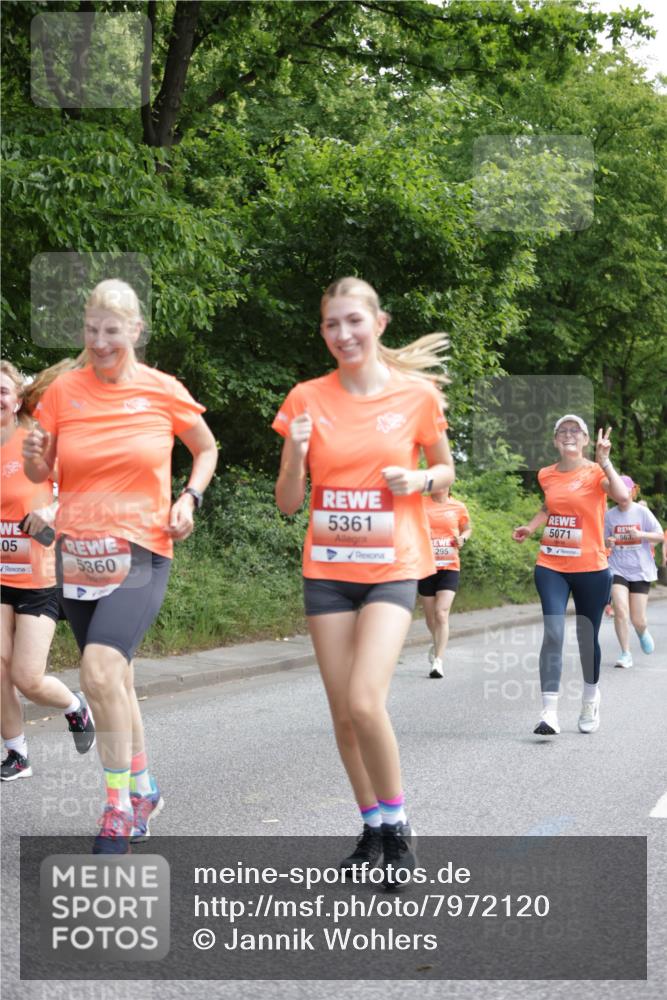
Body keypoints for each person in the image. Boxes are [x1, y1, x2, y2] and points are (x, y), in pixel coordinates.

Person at [23, 279, 218, 852]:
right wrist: (37, 461)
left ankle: (117, 809)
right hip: (79, 553)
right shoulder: (64, 393)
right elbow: (44, 476)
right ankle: (144, 786)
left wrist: (190, 497)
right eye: (91, 330)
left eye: (113, 330)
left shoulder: (162, 390)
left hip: (142, 548)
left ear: (134, 330)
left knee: (100, 672)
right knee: (119, 682)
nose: (101, 341)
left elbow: (205, 447)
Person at [272, 277, 454, 890]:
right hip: (326, 574)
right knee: (341, 717)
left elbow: (446, 471)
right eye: (331, 325)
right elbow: (288, 503)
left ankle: (399, 826)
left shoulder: (417, 396)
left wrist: (420, 480)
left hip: (391, 570)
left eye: (354, 321)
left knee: (363, 701)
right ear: (323, 331)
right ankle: (372, 826)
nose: (343, 334)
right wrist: (295, 455)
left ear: (379, 323)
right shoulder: (305, 398)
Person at [1, 359, 95, 781]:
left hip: (38, 576)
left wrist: (51, 509)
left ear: (17, 398)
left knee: (27, 677)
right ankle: (17, 754)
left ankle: (75, 706)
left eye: (2, 390)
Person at [512, 414, 628, 736]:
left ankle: (591, 697)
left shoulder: (595, 472)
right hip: (551, 564)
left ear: (586, 440)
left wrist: (605, 462)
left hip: (591, 567)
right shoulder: (546, 475)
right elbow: (550, 507)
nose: (568, 435)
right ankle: (549, 711)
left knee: (585, 637)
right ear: (554, 441)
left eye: (575, 431)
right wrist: (531, 527)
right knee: (553, 631)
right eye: (562, 431)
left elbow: (622, 497)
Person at [605, 474, 663, 668]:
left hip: (640, 570)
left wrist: (641, 534)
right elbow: (602, 539)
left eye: (626, 490)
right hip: (617, 568)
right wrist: (608, 541)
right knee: (621, 611)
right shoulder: (610, 515)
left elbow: (660, 535)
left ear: (632, 491)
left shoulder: (642, 512)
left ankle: (641, 631)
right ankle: (625, 653)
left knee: (638, 620)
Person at [418, 486, 472, 678]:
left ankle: (438, 662)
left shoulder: (458, 506)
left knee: (441, 613)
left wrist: (463, 539)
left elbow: (467, 529)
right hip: (426, 566)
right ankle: (437, 642)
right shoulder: (420, 503)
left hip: (449, 566)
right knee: (430, 617)